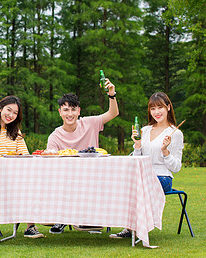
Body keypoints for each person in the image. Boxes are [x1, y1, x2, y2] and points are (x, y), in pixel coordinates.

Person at [46, 79, 119, 234]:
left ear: (79, 111)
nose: (70, 114)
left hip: (93, 177)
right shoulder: (55, 136)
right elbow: (50, 162)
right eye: (65, 110)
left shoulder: (90, 123)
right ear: (60, 112)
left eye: (73, 110)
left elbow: (113, 113)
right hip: (66, 179)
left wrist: (111, 95)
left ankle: (86, 218)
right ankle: (62, 218)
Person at [110, 92, 183, 239]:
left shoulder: (175, 133)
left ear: (168, 107)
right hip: (142, 175)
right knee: (120, 184)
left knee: (139, 186)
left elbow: (176, 167)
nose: (156, 112)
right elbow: (138, 160)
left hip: (163, 178)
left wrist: (165, 151)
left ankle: (135, 229)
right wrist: (137, 146)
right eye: (153, 108)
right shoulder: (145, 130)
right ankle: (129, 227)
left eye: (160, 107)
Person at [0, 95, 44, 239]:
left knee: (34, 182)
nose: (11, 115)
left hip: (15, 173)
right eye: (9, 110)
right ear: (0, 108)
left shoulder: (15, 132)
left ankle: (30, 227)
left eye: (15, 113)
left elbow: (25, 156)